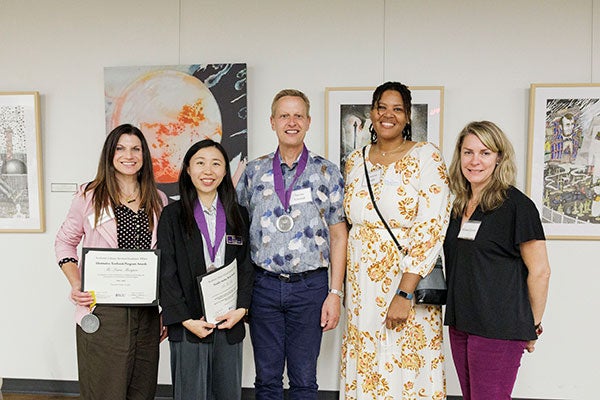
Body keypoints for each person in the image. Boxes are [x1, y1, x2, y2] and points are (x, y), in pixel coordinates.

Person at [340, 81, 451, 399]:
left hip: (405, 281)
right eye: (381, 107)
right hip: (362, 287)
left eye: (397, 109)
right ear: (372, 113)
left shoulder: (426, 157)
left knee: (406, 364)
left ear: (407, 116)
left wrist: (405, 292)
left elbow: (431, 227)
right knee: (369, 363)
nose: (388, 115)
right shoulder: (354, 161)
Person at [236, 89, 347, 399]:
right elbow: (239, 232)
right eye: (284, 115)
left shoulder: (327, 173)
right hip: (264, 287)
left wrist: (335, 293)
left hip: (310, 288)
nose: (292, 122)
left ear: (308, 121)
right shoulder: (254, 173)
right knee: (267, 379)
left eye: (298, 115)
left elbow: (339, 236)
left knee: (304, 380)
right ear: (272, 122)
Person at [55, 124, 168, 400]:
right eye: (120, 148)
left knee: (141, 390)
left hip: (146, 312)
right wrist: (76, 282)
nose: (128, 155)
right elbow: (64, 242)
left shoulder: (159, 200)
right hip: (103, 311)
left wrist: (167, 308)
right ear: (110, 153)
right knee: (105, 391)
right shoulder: (89, 196)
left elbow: (166, 258)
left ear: (144, 156)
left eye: (135, 149)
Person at [444, 121, 551, 400]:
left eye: (485, 153)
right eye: (468, 152)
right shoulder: (459, 205)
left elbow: (540, 271)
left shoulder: (517, 206)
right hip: (462, 323)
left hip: (499, 327)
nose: (475, 161)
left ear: (499, 157)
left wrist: (533, 324)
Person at [157, 139, 254, 400]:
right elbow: (166, 272)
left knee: (227, 394)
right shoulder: (172, 215)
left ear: (225, 171)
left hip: (228, 321)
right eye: (200, 163)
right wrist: (185, 319)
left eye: (216, 164)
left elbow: (245, 266)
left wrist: (241, 310)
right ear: (188, 169)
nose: (208, 171)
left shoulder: (239, 215)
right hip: (189, 324)